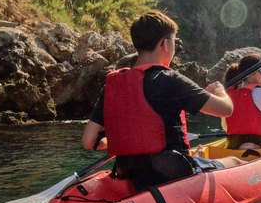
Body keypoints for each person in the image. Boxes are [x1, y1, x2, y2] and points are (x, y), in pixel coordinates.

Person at [82, 11, 248, 189]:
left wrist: (126, 141)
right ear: (164, 44)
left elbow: (89, 141)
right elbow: (226, 109)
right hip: (169, 173)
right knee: (234, 161)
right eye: (175, 41)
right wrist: (220, 91)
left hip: (127, 172)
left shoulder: (112, 86)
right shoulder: (170, 80)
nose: (175, 46)